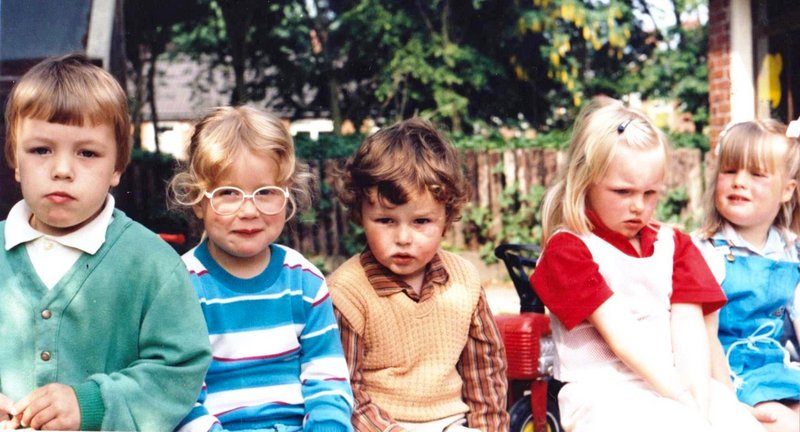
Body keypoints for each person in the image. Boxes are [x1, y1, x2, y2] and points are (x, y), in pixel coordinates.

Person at [0, 53, 212, 431]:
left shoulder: (152, 263)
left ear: (117, 168)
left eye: (87, 153)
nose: (62, 170)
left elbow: (180, 369)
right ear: (15, 159)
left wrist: (92, 404)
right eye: (41, 150)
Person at [530, 96, 763, 432]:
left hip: (678, 383)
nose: (638, 206)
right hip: (604, 395)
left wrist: (701, 403)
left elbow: (691, 333)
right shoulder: (569, 250)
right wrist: (682, 403)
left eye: (650, 193)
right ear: (585, 181)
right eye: (623, 192)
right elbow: (623, 337)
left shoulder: (674, 245)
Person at [169, 106, 354, 432]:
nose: (249, 211)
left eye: (265, 192)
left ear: (287, 196)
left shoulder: (304, 281)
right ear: (197, 200)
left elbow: (327, 378)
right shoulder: (181, 286)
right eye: (228, 193)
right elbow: (179, 395)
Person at [327, 117, 509, 432]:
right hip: (377, 425)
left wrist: (487, 428)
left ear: (446, 218)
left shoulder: (464, 280)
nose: (403, 238)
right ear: (361, 214)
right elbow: (345, 390)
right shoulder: (347, 291)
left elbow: (485, 372)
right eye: (386, 220)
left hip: (452, 422)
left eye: (421, 221)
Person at [693, 119, 800, 432]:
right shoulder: (704, 251)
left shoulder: (790, 251)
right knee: (784, 424)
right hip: (729, 373)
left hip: (776, 367)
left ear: (787, 190)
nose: (739, 182)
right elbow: (700, 334)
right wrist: (728, 402)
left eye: (756, 174)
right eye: (729, 170)